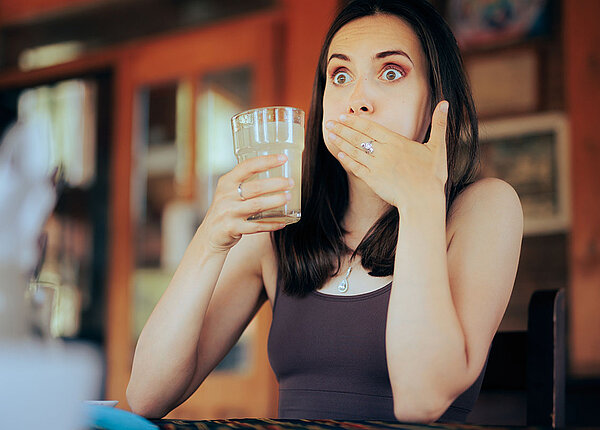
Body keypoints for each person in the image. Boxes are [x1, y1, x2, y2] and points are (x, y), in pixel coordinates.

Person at [127, 0, 523, 423]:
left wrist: (419, 198)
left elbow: (420, 399)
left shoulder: (485, 207)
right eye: (340, 74)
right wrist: (208, 241)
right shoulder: (279, 225)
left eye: (391, 72)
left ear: (436, 101)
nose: (358, 100)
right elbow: (147, 397)